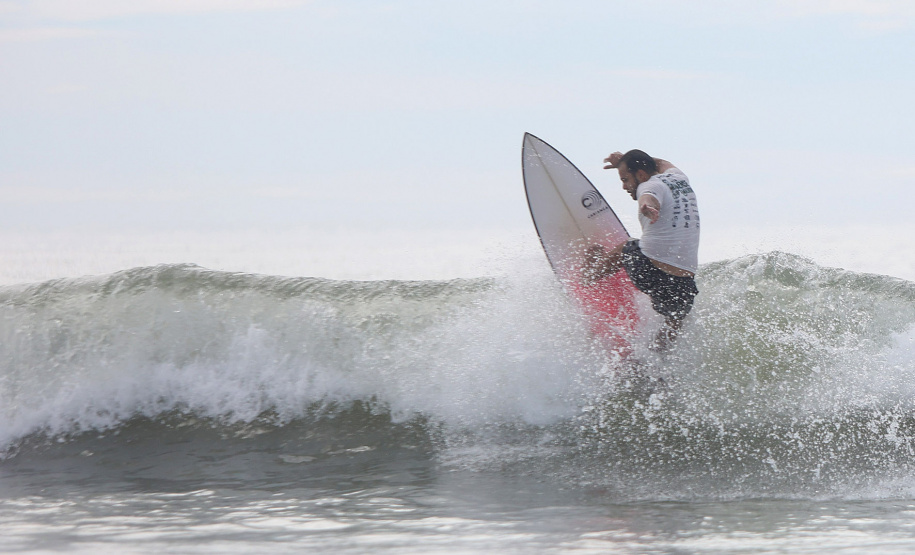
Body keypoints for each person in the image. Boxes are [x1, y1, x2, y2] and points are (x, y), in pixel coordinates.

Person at [582, 149, 700, 351]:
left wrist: (647, 206)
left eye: (626, 179)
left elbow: (648, 196)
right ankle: (656, 363)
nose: (624, 186)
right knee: (673, 321)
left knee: (628, 247)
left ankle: (589, 275)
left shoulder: (650, 185)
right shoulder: (679, 177)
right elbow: (660, 162)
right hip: (684, 285)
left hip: (652, 273)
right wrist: (625, 161)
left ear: (641, 175)